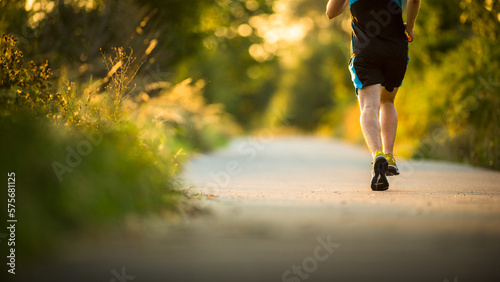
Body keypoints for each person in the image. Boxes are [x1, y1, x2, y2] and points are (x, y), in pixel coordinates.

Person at [326, 0, 420, 191]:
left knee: (369, 106)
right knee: (387, 102)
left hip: (365, 51)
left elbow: (331, 12)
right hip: (395, 50)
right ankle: (389, 155)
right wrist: (410, 27)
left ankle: (377, 154)